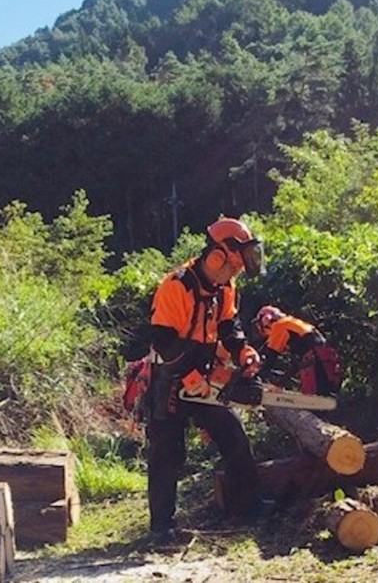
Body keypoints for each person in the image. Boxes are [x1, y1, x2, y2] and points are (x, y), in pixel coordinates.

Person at [145, 217, 265, 543]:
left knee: (232, 433)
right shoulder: (177, 285)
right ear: (217, 256)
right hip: (170, 375)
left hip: (204, 375)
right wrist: (188, 376)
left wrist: (243, 352)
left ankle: (249, 507)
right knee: (167, 452)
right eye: (234, 266)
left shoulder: (225, 287)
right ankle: (161, 526)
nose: (235, 273)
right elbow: (163, 340)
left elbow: (229, 326)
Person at [252, 305, 344, 396]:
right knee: (326, 394)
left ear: (266, 320)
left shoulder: (279, 326)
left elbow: (271, 357)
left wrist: (255, 377)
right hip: (326, 356)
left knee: (313, 397)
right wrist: (281, 382)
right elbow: (295, 364)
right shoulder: (291, 323)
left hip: (314, 358)